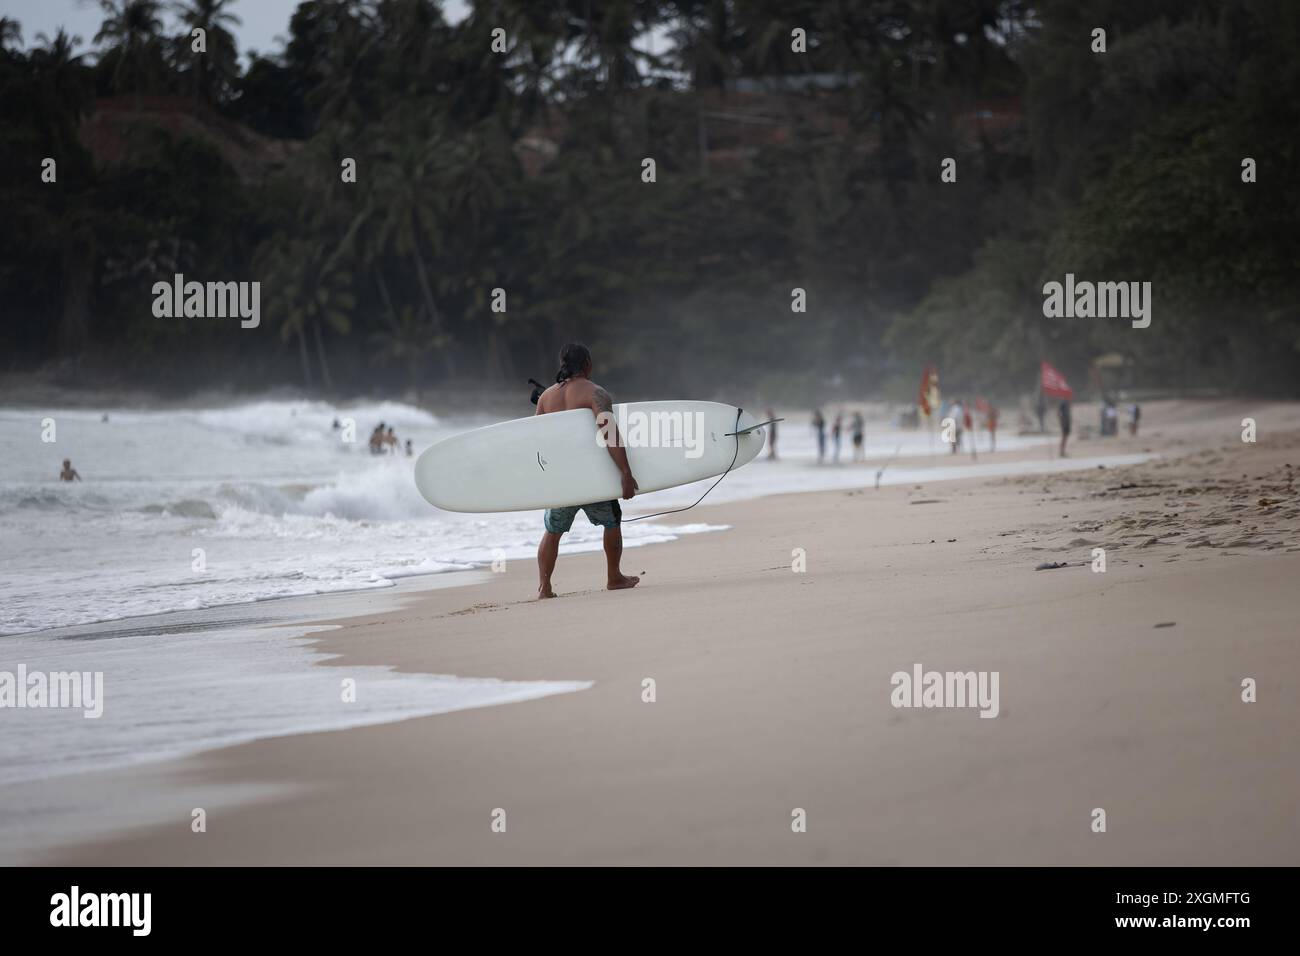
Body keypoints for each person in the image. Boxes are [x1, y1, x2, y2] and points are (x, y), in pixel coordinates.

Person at [534, 343, 640, 599]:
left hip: (562, 480)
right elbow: (610, 435)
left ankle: (544, 587)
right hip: (591, 478)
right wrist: (626, 473)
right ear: (588, 364)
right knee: (612, 521)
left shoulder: (546, 397)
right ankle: (614, 577)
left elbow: (536, 441)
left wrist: (542, 481)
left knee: (552, 531)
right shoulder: (596, 393)